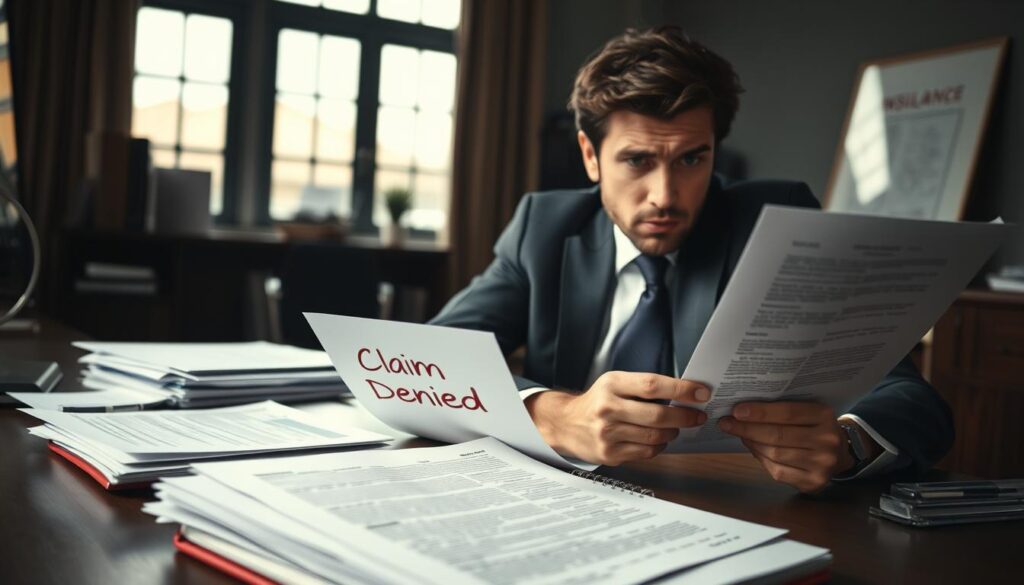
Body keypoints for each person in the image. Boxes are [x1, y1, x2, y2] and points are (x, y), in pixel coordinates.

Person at [430, 27, 952, 493]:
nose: (664, 194)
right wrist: (552, 414)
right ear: (590, 156)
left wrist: (849, 443)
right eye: (637, 160)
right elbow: (436, 358)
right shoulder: (543, 228)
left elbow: (911, 397)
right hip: (562, 496)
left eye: (691, 159)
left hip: (734, 502)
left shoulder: (774, 223)